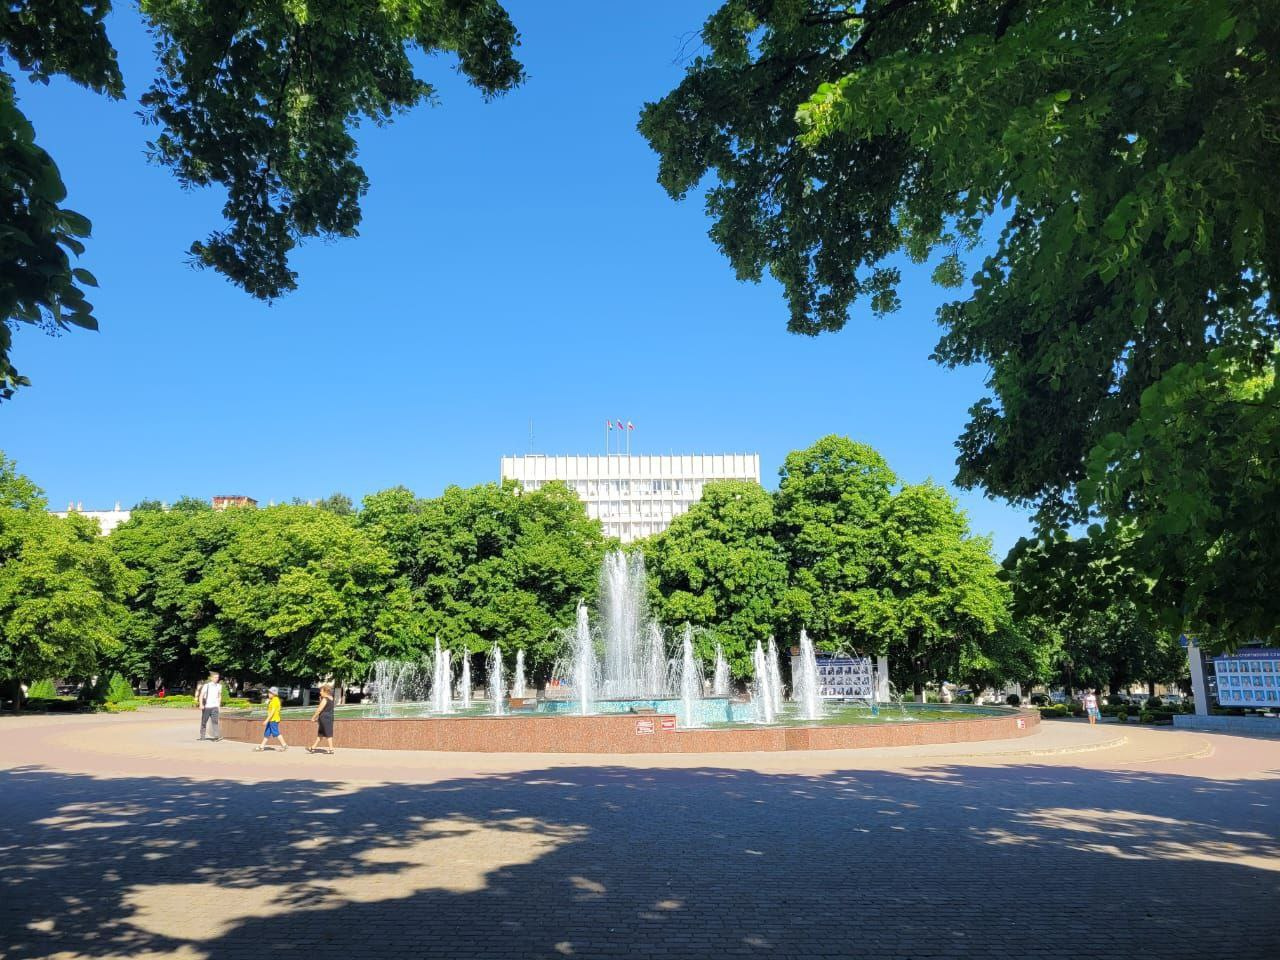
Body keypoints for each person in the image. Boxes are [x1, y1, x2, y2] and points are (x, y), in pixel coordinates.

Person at [255, 686, 288, 751]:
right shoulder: (273, 700)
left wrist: (266, 720)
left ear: (274, 694)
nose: (268, 694)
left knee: (276, 733)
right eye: (269, 693)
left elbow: (273, 712)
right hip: (271, 720)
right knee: (267, 733)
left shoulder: (275, 700)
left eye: (270, 693)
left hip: (273, 720)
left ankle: (284, 745)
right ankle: (262, 746)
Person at [308, 683, 336, 755]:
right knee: (320, 734)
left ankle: (331, 749)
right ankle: (313, 747)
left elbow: (319, 709)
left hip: (324, 718)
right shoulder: (331, 698)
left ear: (325, 692)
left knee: (328, 733)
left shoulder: (325, 699)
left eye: (321, 691)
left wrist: (313, 717)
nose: (320, 692)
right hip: (329, 717)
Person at [196, 670, 223, 741]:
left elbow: (219, 696)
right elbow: (201, 695)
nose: (216, 679)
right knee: (204, 722)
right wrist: (201, 704)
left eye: (217, 677)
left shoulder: (219, 686)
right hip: (207, 707)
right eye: (215, 677)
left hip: (215, 707)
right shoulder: (206, 686)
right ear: (211, 678)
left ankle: (216, 736)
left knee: (215, 721)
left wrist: (218, 705)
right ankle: (202, 736)